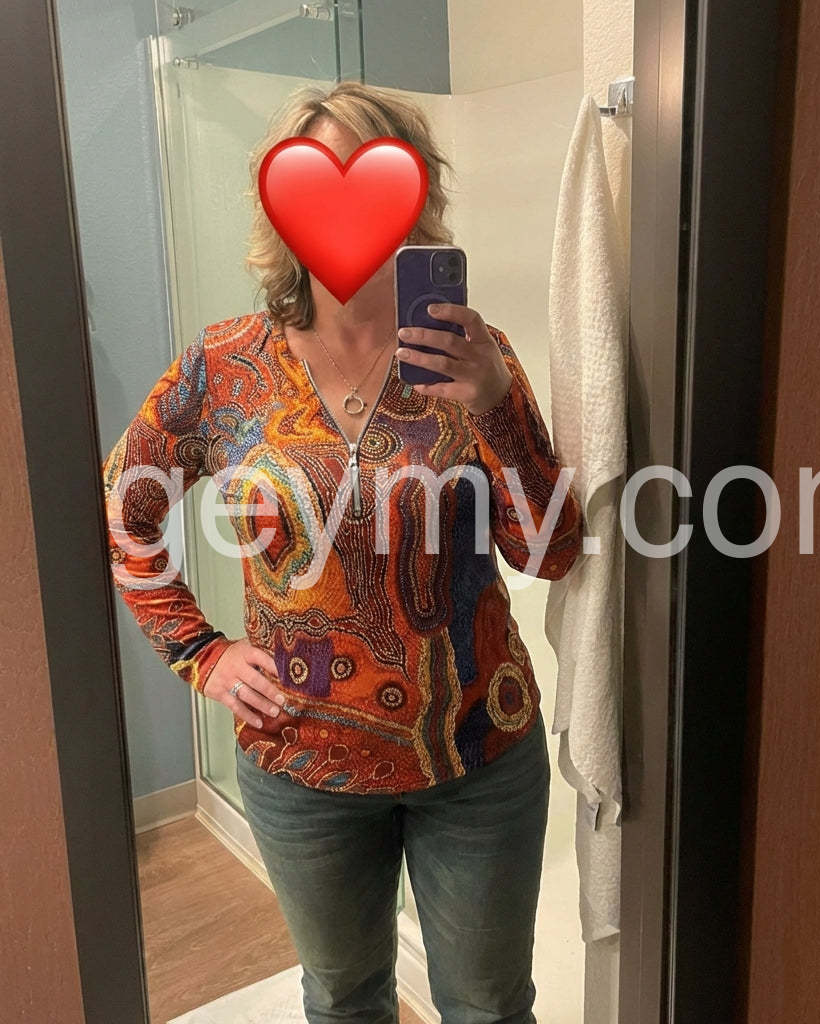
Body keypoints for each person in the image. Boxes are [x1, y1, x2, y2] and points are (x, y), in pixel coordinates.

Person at [101, 79, 583, 1024]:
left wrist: (496, 406)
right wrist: (199, 652)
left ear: (415, 197)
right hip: (301, 766)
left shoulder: (474, 356)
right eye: (317, 181)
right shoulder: (224, 367)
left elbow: (552, 552)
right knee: (344, 999)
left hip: (477, 754)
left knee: (490, 1009)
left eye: (372, 176)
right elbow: (126, 505)